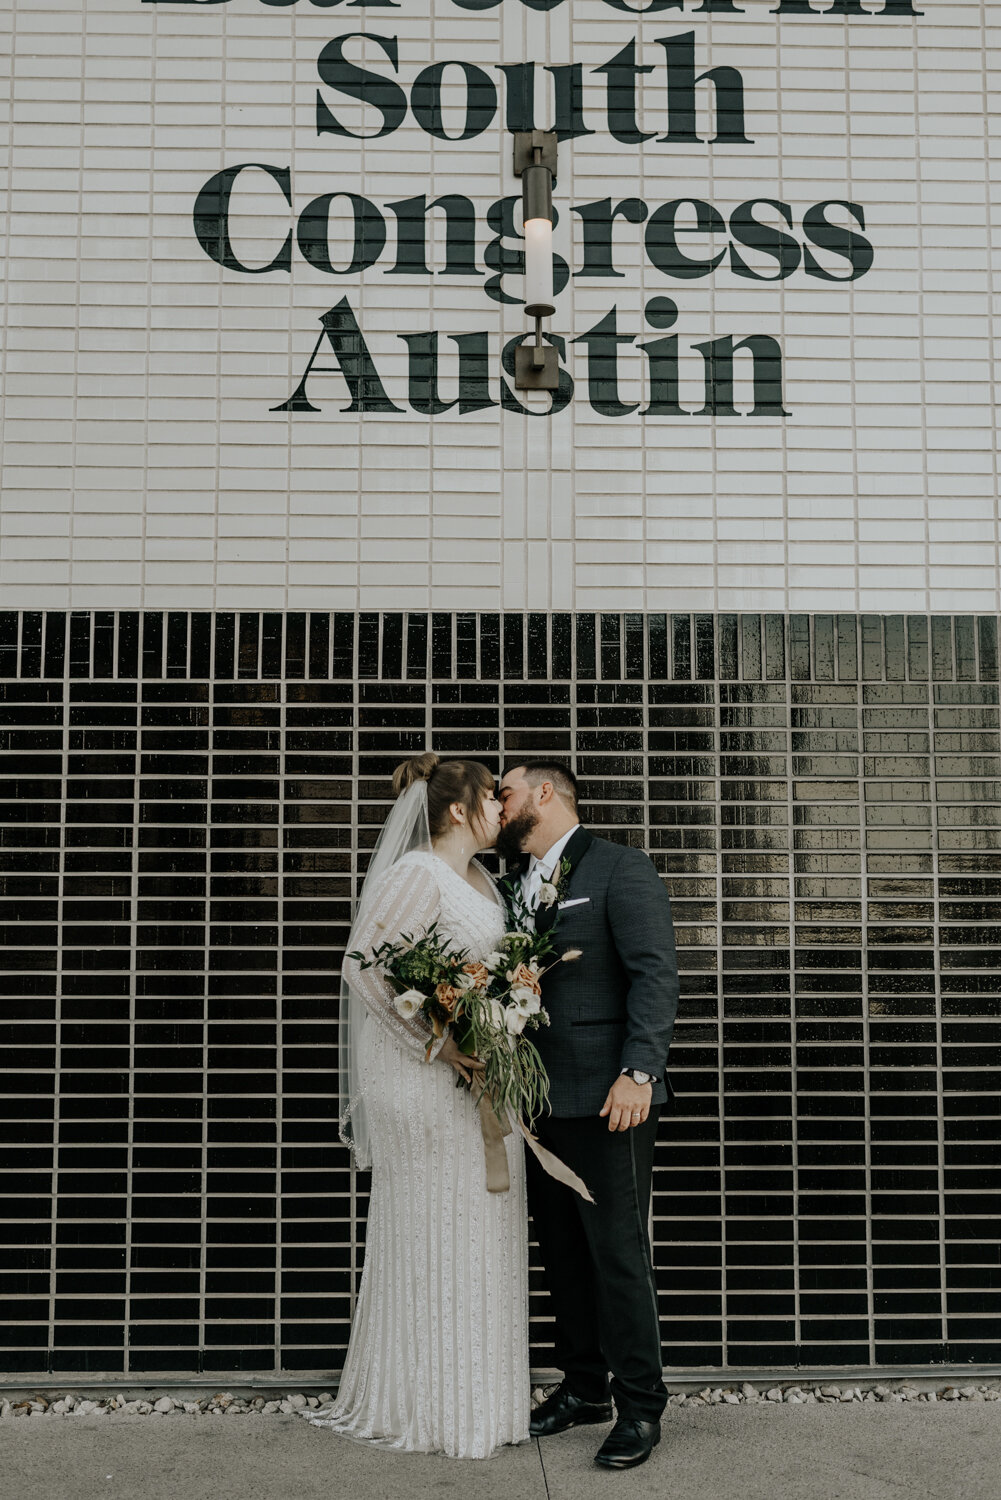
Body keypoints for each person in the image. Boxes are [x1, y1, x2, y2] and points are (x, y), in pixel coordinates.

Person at [300, 753, 530, 1458]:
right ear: (458, 809)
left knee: (483, 1220)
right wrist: (439, 1044)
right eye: (494, 796)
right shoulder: (417, 873)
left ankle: (479, 1402)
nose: (504, 808)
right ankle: (423, 1404)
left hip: (478, 1078)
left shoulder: (484, 880)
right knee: (439, 1218)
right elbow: (363, 965)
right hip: (424, 1082)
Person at [497, 760, 679, 1471]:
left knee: (616, 1257)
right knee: (563, 1257)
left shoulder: (619, 869)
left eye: (504, 792)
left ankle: (639, 1407)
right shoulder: (514, 882)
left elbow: (654, 973)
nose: (497, 804)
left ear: (544, 794)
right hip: (538, 1101)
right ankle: (582, 1388)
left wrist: (639, 1072)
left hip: (610, 1100)